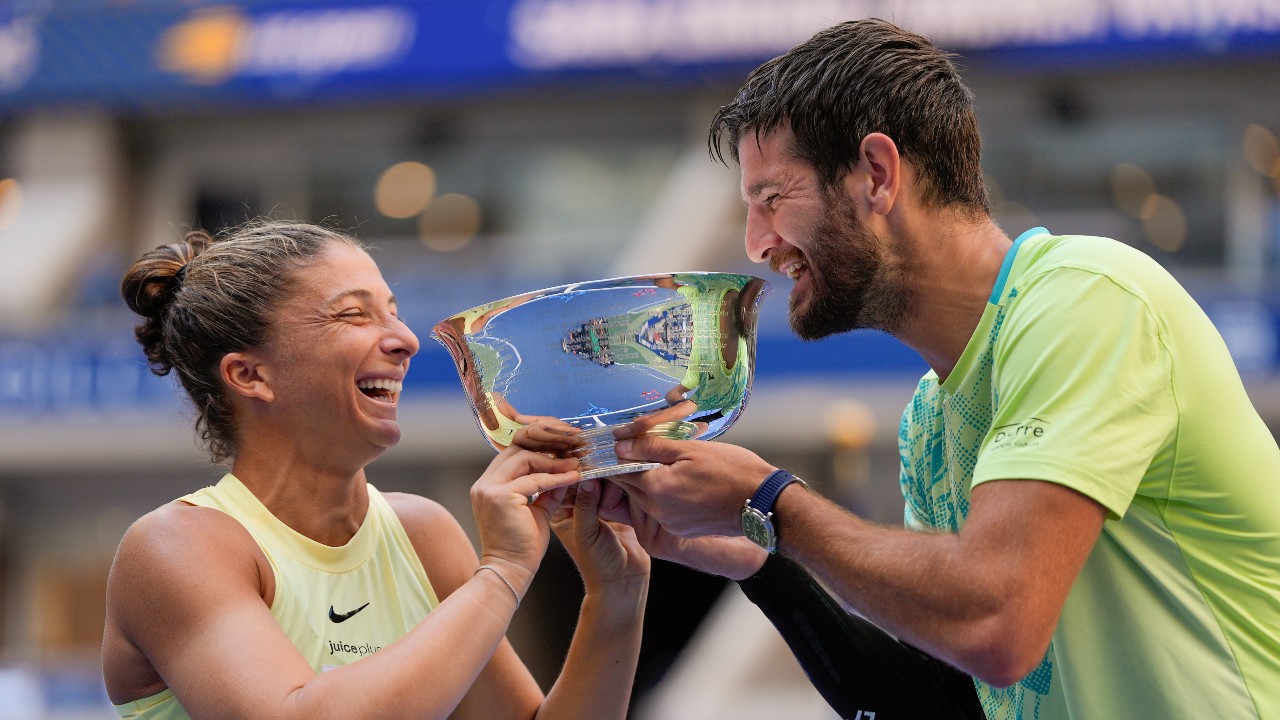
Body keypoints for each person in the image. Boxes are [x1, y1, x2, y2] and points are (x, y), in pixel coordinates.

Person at [605, 18, 1280, 720]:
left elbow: (996, 624)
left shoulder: (1087, 298)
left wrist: (773, 503)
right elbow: (940, 705)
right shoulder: (930, 417)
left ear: (877, 174)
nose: (756, 245)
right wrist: (760, 562)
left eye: (772, 200)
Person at [103, 219, 648, 719]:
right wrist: (503, 570)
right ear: (250, 376)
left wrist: (617, 592)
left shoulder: (421, 533)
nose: (406, 339)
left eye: (392, 310)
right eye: (353, 314)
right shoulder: (176, 547)